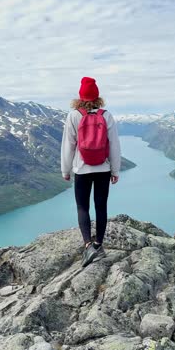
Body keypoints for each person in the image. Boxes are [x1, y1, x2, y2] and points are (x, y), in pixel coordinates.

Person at [61, 76, 121, 267]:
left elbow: (68, 146)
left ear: (80, 96)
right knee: (101, 206)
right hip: (103, 168)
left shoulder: (73, 116)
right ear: (97, 97)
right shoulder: (106, 115)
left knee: (82, 207)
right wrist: (115, 170)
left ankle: (88, 246)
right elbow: (114, 146)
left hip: (82, 169)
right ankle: (99, 245)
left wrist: (66, 169)